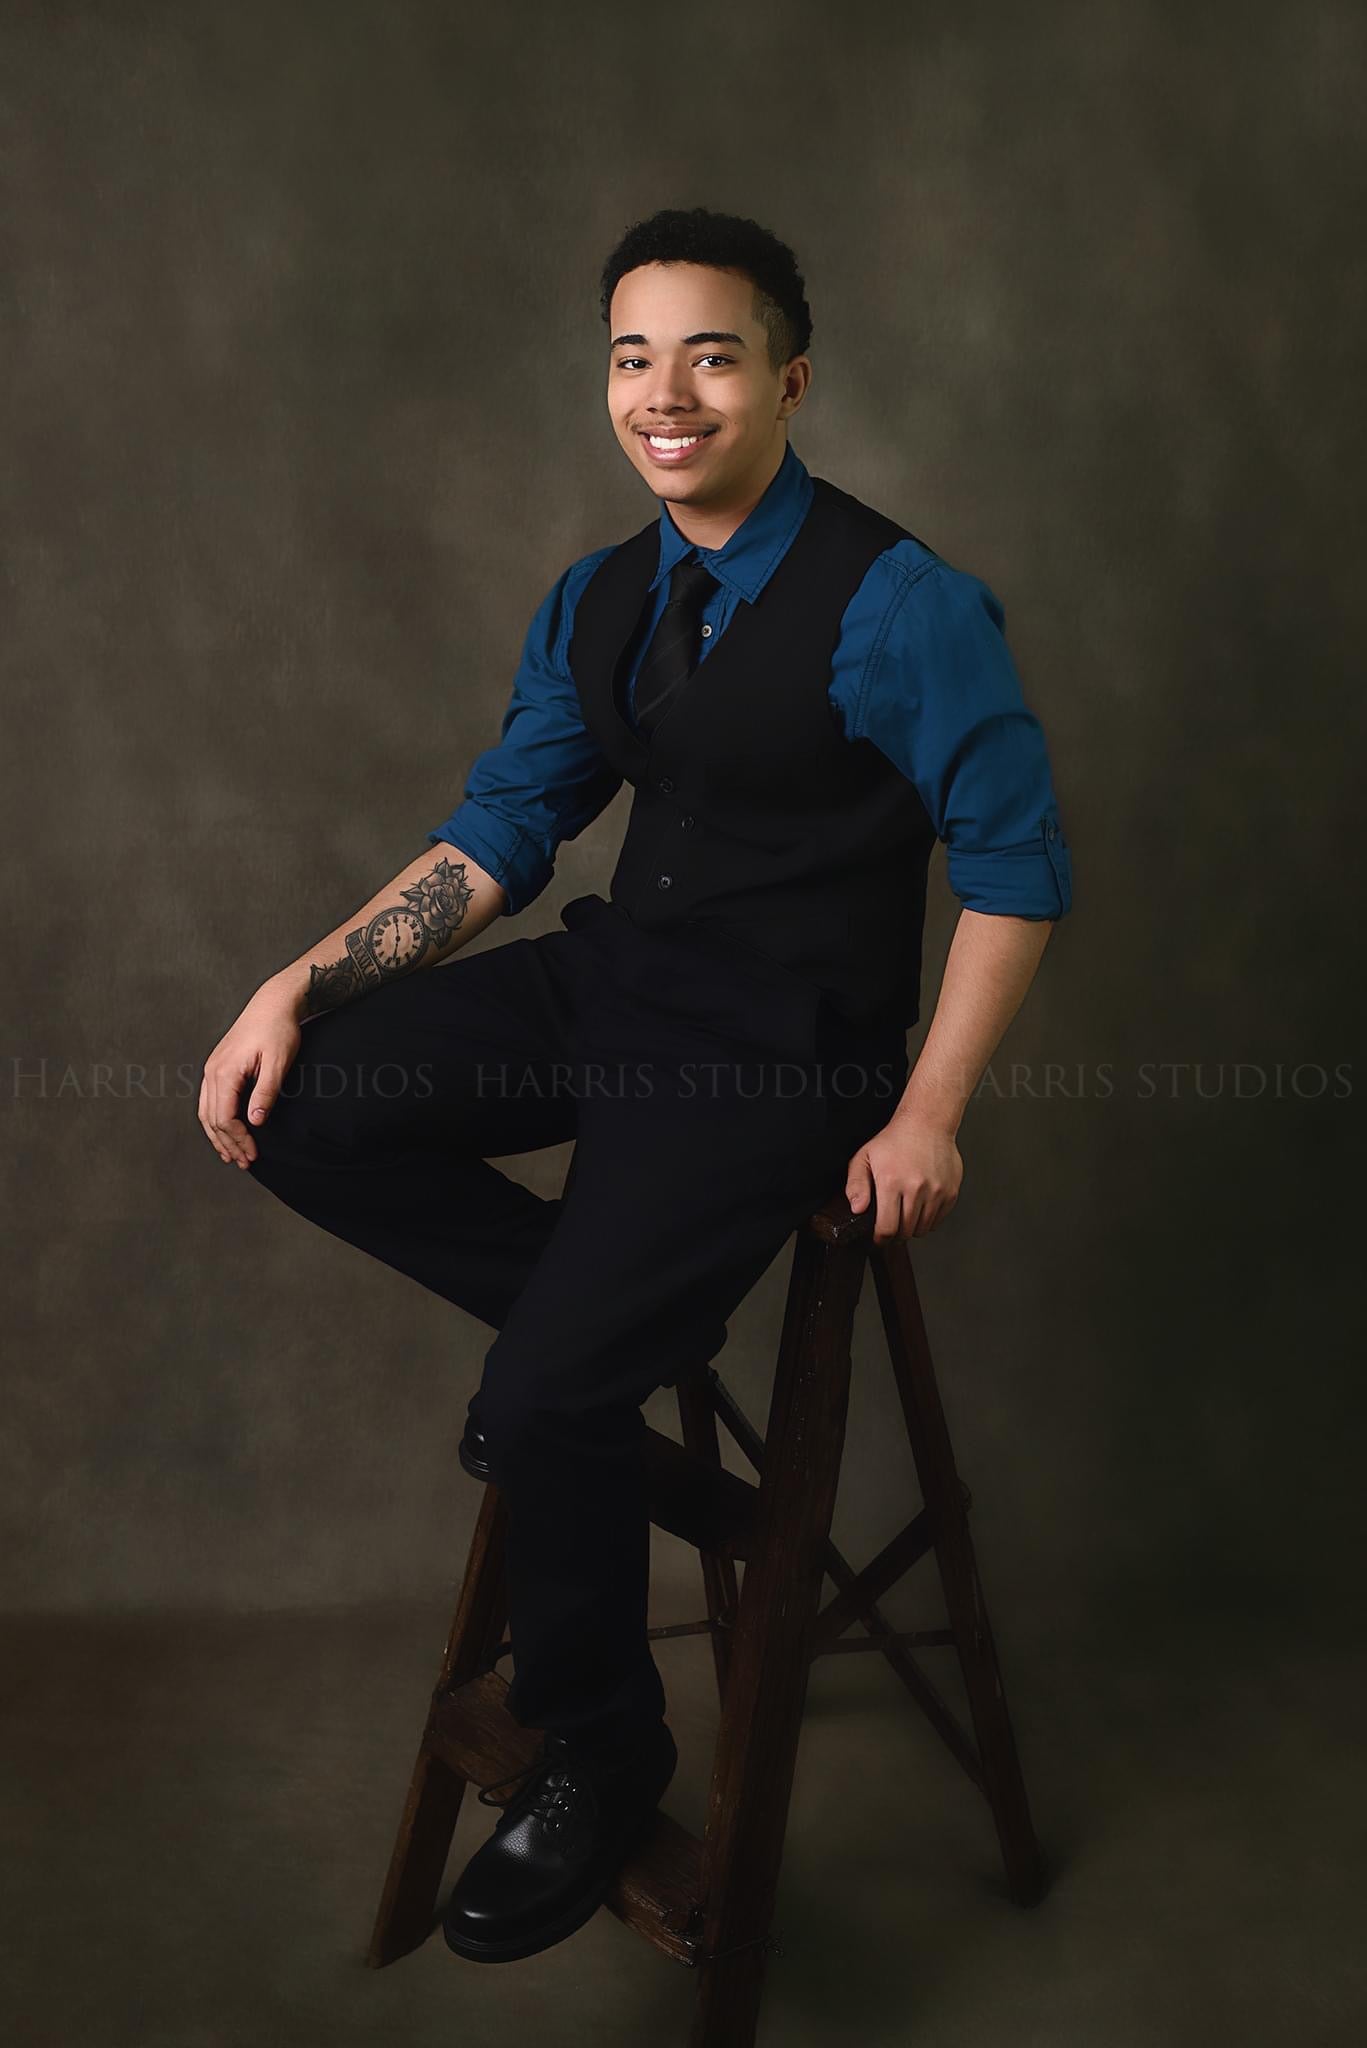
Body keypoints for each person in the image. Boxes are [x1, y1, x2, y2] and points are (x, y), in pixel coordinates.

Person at [197, 204, 1073, 1967]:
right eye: (632, 357)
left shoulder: (903, 605)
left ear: (789, 382)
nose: (664, 394)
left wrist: (926, 1113)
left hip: (782, 1055)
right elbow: (502, 834)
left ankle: (600, 1746)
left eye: (711, 356)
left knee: (538, 1405)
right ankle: (580, 1337)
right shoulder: (602, 597)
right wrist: (296, 983)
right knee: (301, 1104)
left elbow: (1016, 869)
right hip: (618, 988)